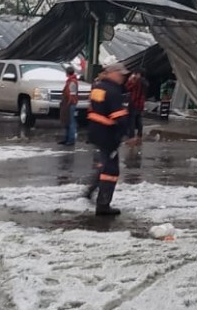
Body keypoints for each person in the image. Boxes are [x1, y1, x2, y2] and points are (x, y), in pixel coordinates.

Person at [86, 62, 130, 216]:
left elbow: (94, 110)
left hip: (97, 133)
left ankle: (91, 189)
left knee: (103, 164)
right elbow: (119, 116)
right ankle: (103, 205)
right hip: (109, 135)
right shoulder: (113, 91)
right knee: (111, 171)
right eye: (120, 74)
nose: (123, 78)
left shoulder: (98, 87)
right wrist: (126, 132)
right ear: (112, 73)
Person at [58, 66, 80, 146]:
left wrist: (67, 103)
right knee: (68, 121)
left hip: (69, 104)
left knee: (71, 122)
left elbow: (72, 95)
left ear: (67, 73)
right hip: (69, 104)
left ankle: (70, 139)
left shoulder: (72, 82)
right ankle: (67, 138)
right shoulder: (71, 81)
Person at [125, 69, 148, 144]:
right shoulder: (145, 82)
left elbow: (128, 87)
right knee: (139, 119)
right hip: (141, 104)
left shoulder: (137, 81)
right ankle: (139, 135)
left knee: (131, 121)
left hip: (134, 103)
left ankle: (131, 137)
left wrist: (130, 80)